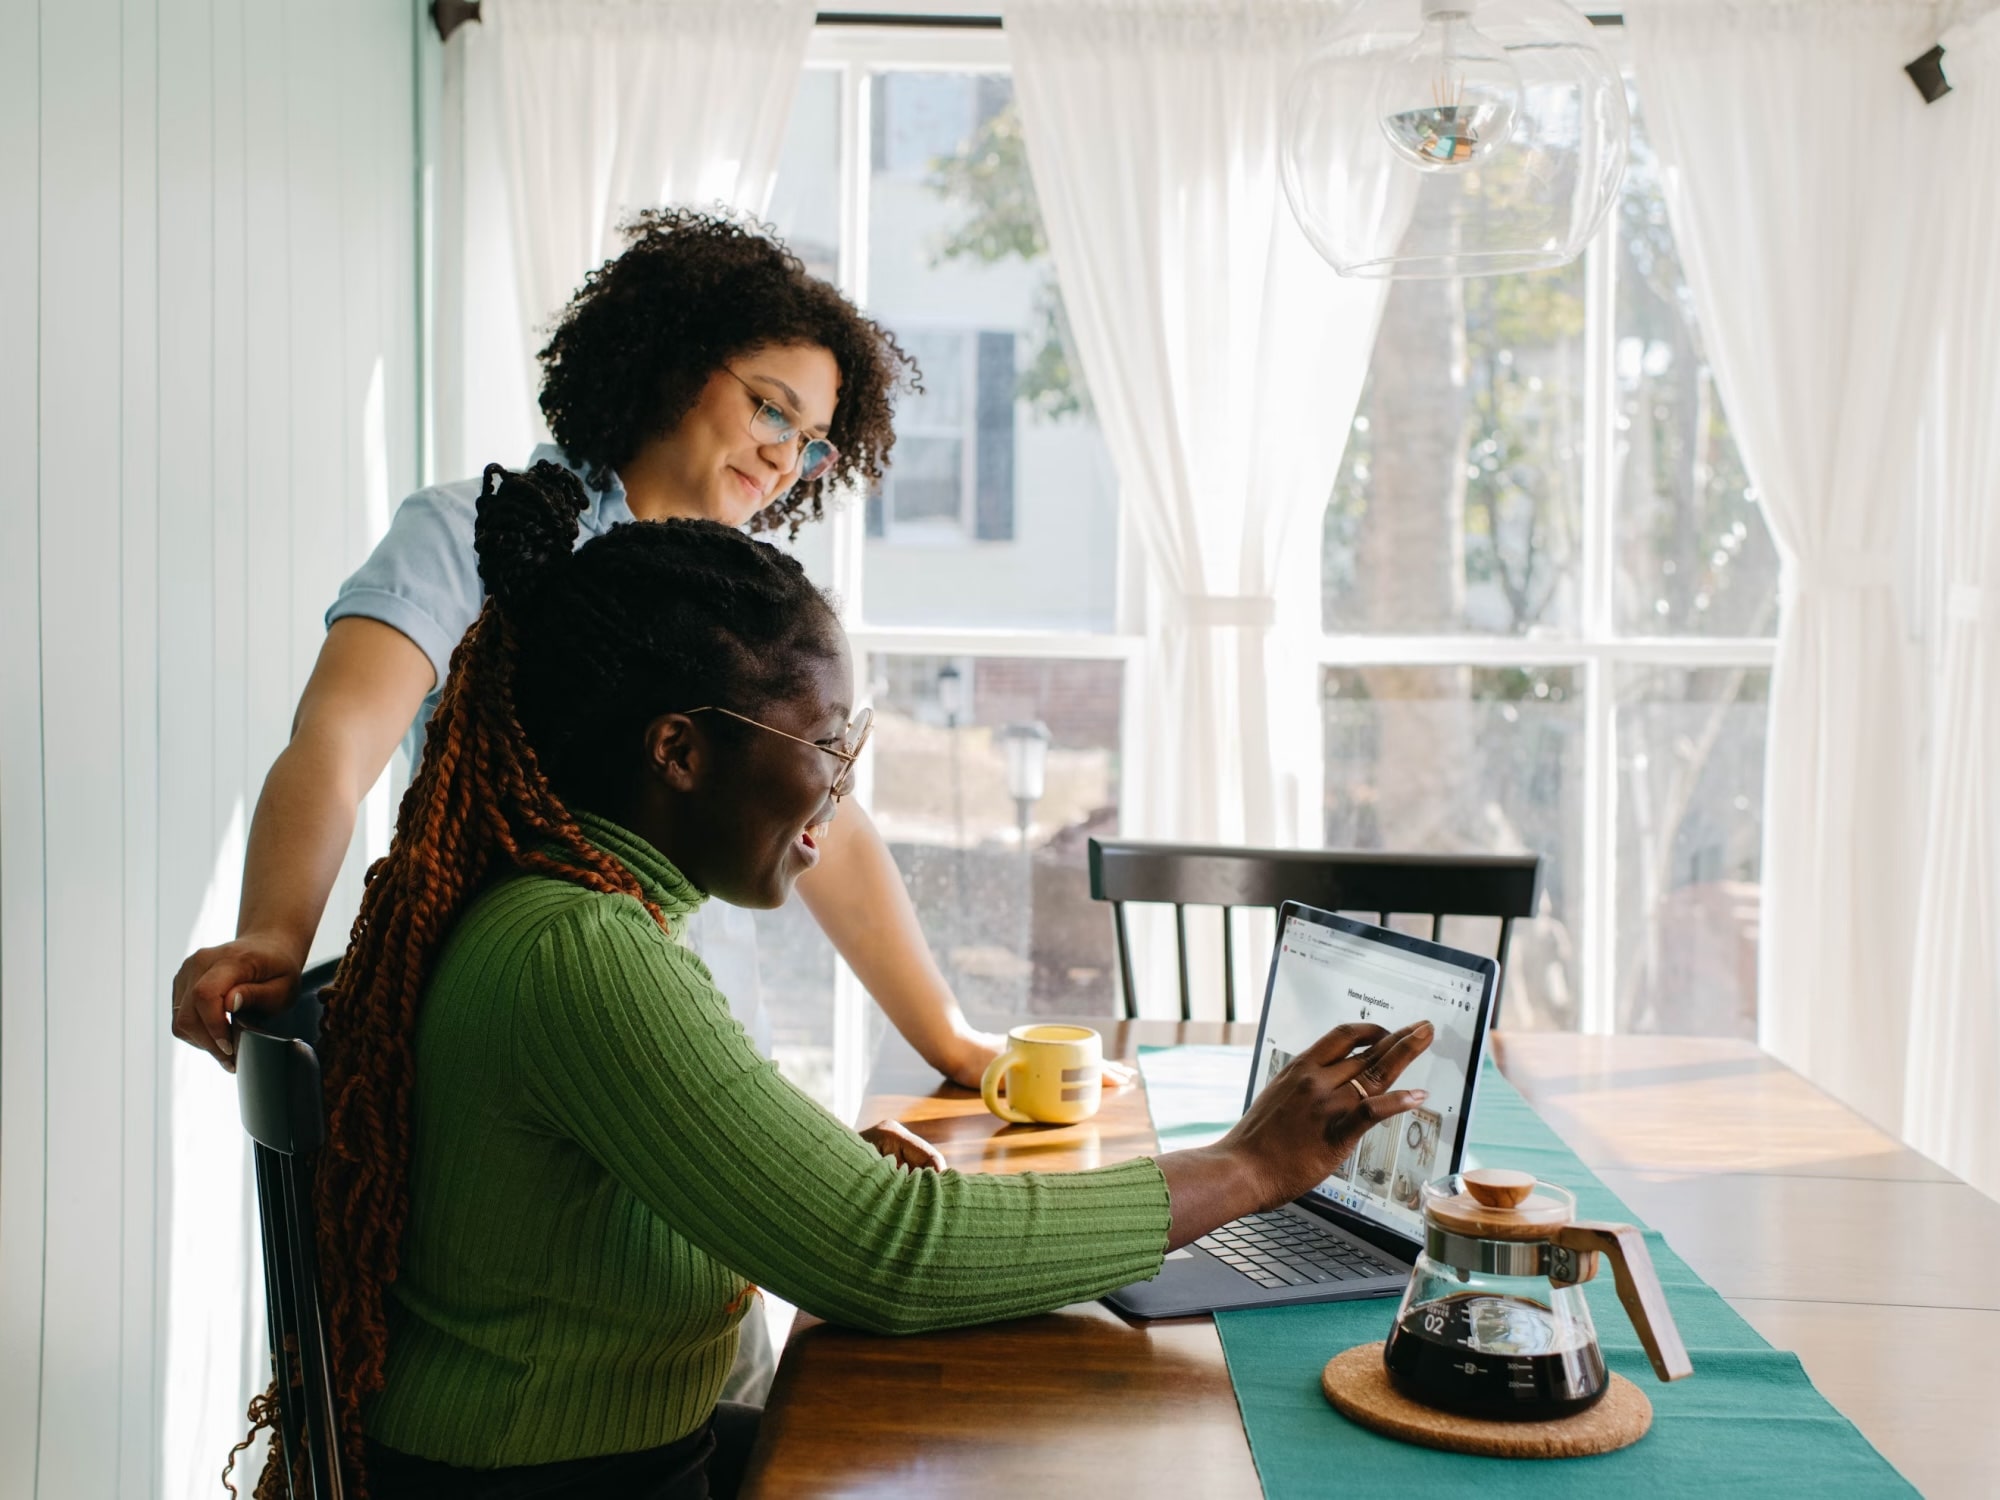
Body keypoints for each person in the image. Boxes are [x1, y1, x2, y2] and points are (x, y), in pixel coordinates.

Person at [229, 464, 1432, 1500]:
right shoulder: (577, 951)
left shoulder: (585, 918)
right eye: (826, 748)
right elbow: (886, 1258)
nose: (839, 794)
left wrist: (821, 1181)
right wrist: (1250, 1166)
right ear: (678, 752)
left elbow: (739, 1197)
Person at [172, 207, 1010, 1093]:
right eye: (772, 408)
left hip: (710, 1058)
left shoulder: (748, 603)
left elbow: (820, 827)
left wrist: (951, 1042)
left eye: (808, 445)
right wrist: (274, 933)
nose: (782, 456)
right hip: (532, 1061)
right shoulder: (472, 534)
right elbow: (335, 743)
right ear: (674, 363)